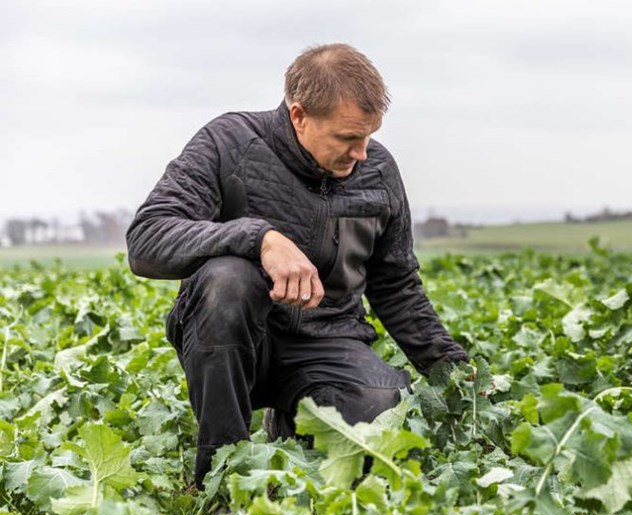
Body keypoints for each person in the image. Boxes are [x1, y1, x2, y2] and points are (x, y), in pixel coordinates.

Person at [126, 44, 468, 487]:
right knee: (227, 279)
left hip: (328, 342)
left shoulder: (378, 170)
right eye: (347, 139)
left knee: (381, 419)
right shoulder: (229, 143)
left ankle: (292, 423)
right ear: (299, 115)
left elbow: (397, 284)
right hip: (236, 340)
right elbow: (147, 238)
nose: (361, 153)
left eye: (368, 136)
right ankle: (221, 476)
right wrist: (259, 238)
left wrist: (456, 375)